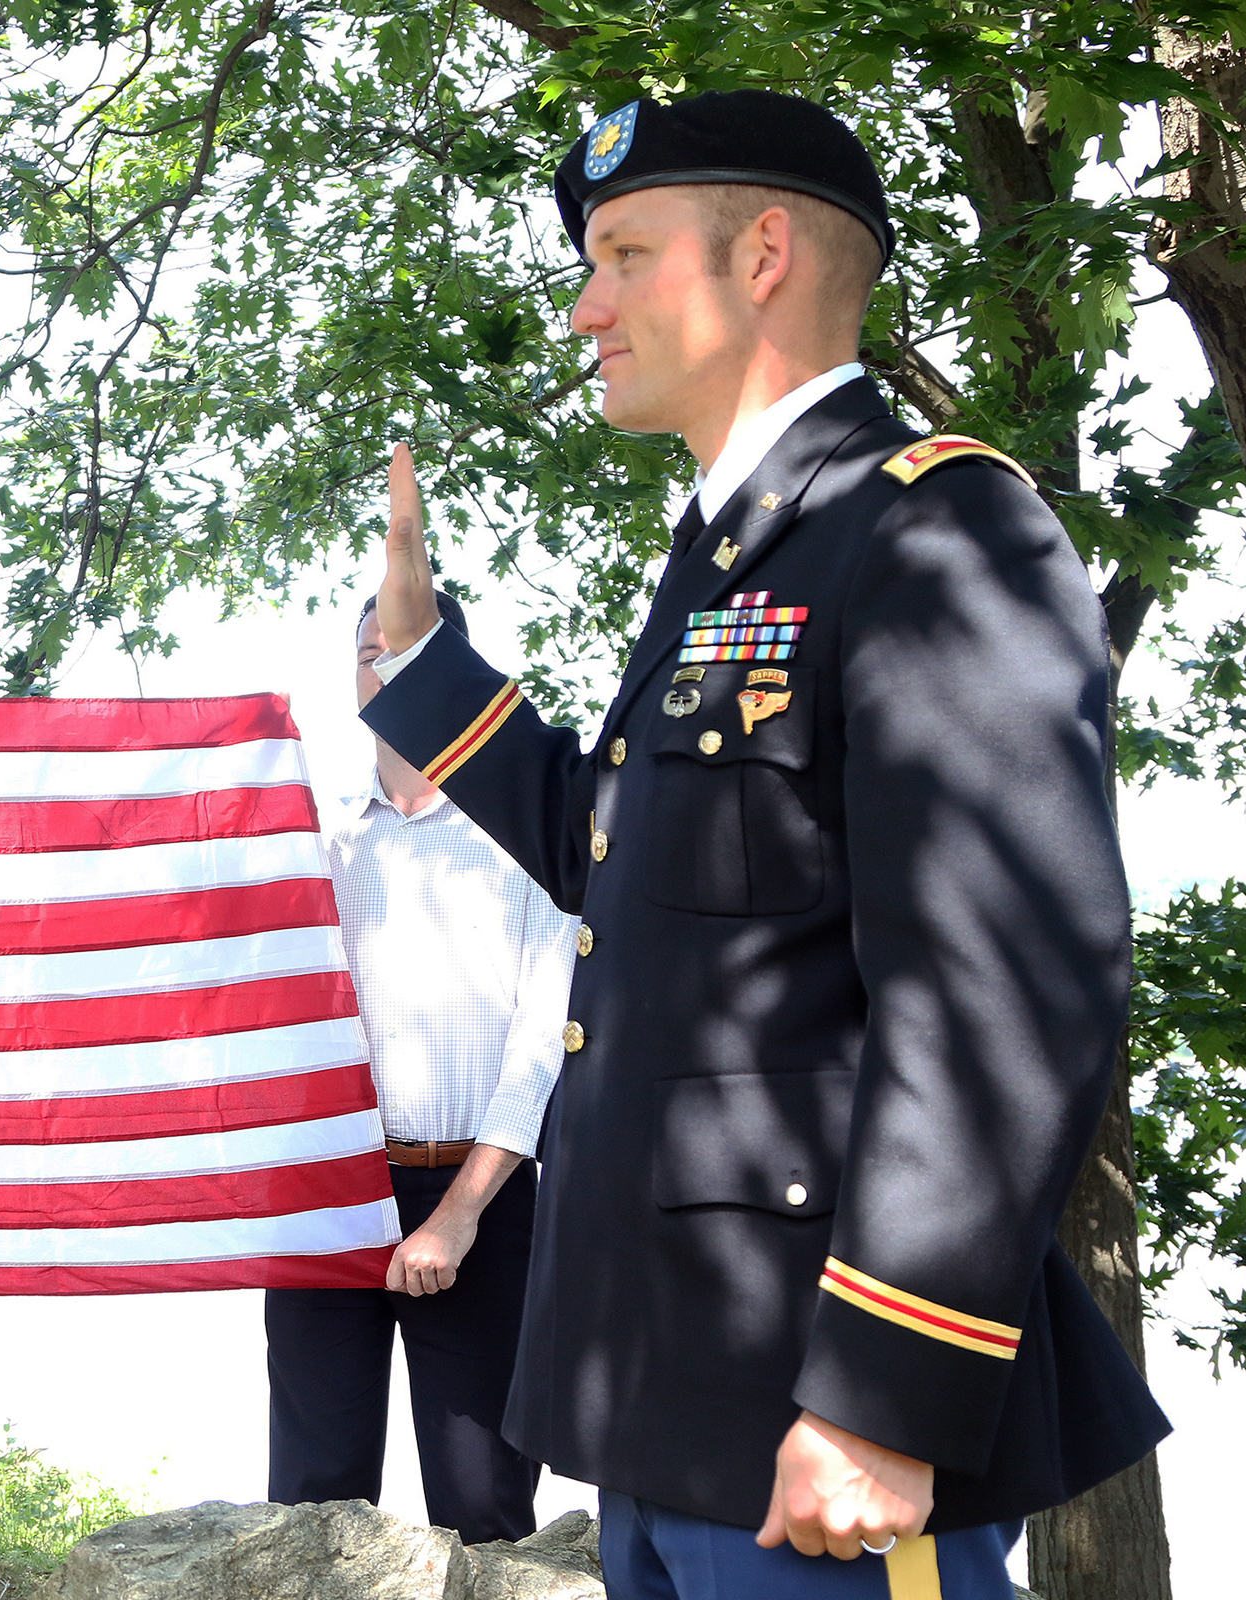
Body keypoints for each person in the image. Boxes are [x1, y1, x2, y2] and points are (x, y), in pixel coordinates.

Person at [359, 90, 1168, 1599]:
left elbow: (1008, 986)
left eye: (623, 255)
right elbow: (632, 872)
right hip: (669, 1397)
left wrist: (886, 1388)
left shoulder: (932, 528)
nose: (585, 309)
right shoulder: (729, 555)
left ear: (766, 255)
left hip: (826, 1424)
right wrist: (424, 674)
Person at [267, 589, 578, 1543]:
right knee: (312, 1504)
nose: (384, 669)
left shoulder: (529, 842)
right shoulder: (313, 845)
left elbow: (541, 1048)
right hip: (326, 1197)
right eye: (369, 652)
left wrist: (459, 1213)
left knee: (483, 1507)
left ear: (454, 677)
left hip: (483, 1199)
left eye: (407, 652)